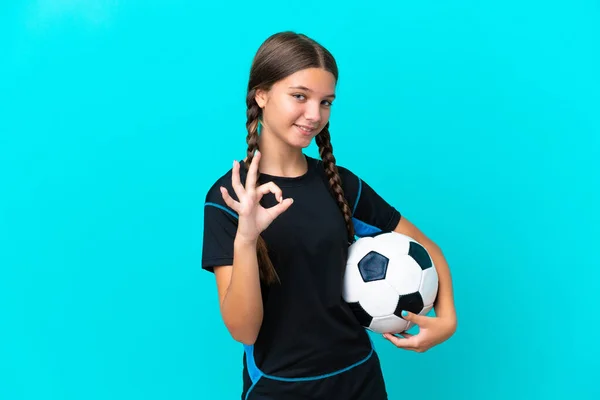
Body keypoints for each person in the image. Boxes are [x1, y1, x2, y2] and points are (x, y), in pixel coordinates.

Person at [201, 31, 457, 400]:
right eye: (300, 97)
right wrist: (246, 238)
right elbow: (244, 331)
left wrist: (446, 319)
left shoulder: (342, 185)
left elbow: (424, 248)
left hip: (359, 381)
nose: (314, 115)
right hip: (279, 389)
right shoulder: (229, 198)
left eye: (326, 102)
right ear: (262, 94)